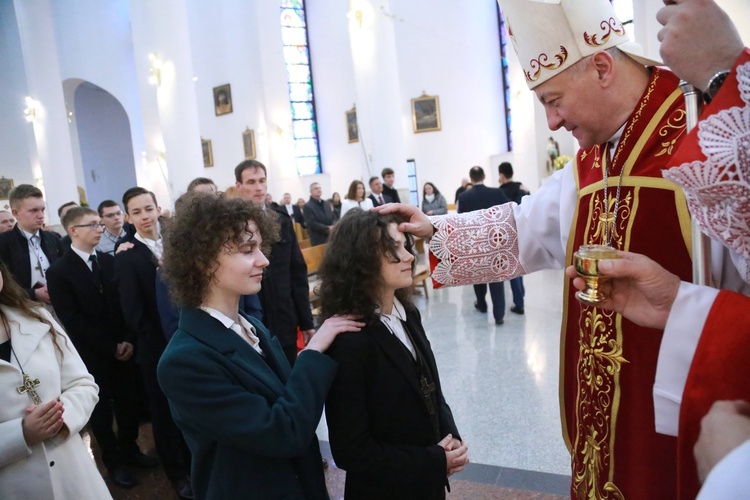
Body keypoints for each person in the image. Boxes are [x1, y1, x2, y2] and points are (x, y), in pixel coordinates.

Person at [374, 0, 748, 496]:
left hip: (685, 418)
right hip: (602, 426)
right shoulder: (592, 159)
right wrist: (436, 230)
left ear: (601, 66)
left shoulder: (709, 127)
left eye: (553, 99)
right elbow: (529, 227)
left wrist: (724, 71)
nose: (551, 122)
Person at [157, 191, 364, 499]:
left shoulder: (252, 326)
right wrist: (311, 353)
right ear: (202, 262)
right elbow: (282, 432)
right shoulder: (184, 361)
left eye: (259, 247)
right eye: (246, 249)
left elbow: (289, 402)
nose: (264, 259)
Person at [320, 210, 468, 498]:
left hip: (426, 481)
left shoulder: (406, 312)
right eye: (393, 249)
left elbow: (430, 387)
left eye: (405, 245)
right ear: (362, 260)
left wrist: (450, 437)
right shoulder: (350, 339)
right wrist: (434, 460)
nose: (409, 256)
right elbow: (351, 450)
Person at [47, 207, 153, 489]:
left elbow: (125, 302)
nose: (99, 228)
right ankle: (114, 462)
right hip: (94, 353)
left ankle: (130, 448)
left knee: (129, 403)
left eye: (99, 223)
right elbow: (72, 318)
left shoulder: (108, 260)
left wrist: (128, 338)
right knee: (102, 412)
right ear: (73, 231)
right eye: (92, 224)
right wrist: (110, 346)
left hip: (124, 346)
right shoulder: (59, 271)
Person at [0, 260, 112, 499]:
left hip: (73, 474)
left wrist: (61, 418)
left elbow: (83, 384)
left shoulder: (36, 317)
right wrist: (20, 434)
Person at [114, 187, 192, 499]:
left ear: (158, 208)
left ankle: (197, 462)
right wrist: (164, 344)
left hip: (187, 336)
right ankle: (178, 474)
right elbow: (134, 311)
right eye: (137, 212)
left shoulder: (175, 241)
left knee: (189, 407)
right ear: (128, 217)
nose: (145, 216)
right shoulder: (127, 253)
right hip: (156, 346)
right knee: (164, 414)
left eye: (149, 208)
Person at [235, 160, 315, 367]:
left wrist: (306, 321)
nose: (258, 187)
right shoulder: (233, 226)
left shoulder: (281, 220)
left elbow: (297, 273)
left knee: (287, 374)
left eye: (262, 181)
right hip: (251, 315)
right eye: (251, 182)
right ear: (239, 186)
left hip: (283, 313)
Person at [457, 167, 511, 325]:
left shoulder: (464, 196)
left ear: (471, 178)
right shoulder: (497, 193)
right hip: (495, 242)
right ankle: (499, 314)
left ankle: (481, 304)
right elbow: (509, 211)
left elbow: (461, 220)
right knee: (496, 278)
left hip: (476, 243)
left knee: (478, 276)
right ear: (484, 176)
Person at [0, 184, 65, 307]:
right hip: (21, 309)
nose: (41, 215)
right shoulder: (3, 243)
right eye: (34, 210)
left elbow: (65, 272)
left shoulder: (53, 238)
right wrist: (33, 293)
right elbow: (4, 286)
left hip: (58, 306)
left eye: (42, 210)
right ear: (16, 213)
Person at [498, 162, 528, 315]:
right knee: (520, 267)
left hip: (506, 236)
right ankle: (520, 298)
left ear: (501, 175)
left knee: (512, 269)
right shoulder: (521, 188)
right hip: (522, 232)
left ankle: (519, 303)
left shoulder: (499, 192)